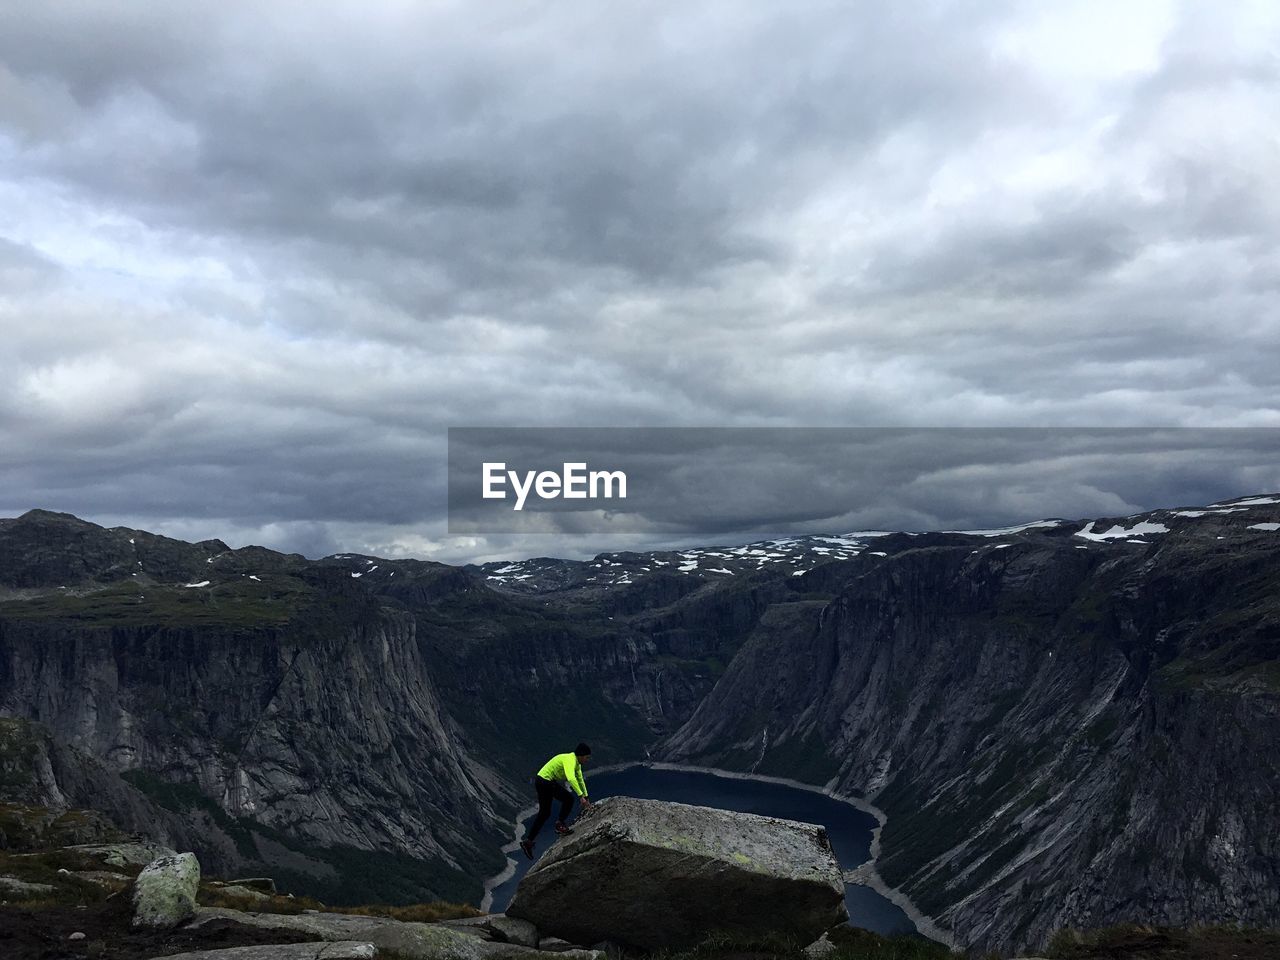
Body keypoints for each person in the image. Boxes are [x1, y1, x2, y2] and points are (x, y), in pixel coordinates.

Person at [520, 742, 593, 859]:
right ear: (581, 755)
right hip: (545, 781)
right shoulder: (570, 759)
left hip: (544, 781)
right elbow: (571, 778)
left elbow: (580, 780)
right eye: (587, 757)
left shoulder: (577, 764)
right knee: (568, 799)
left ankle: (528, 842)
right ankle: (560, 825)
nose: (587, 760)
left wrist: (586, 796)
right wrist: (581, 796)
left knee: (545, 813)